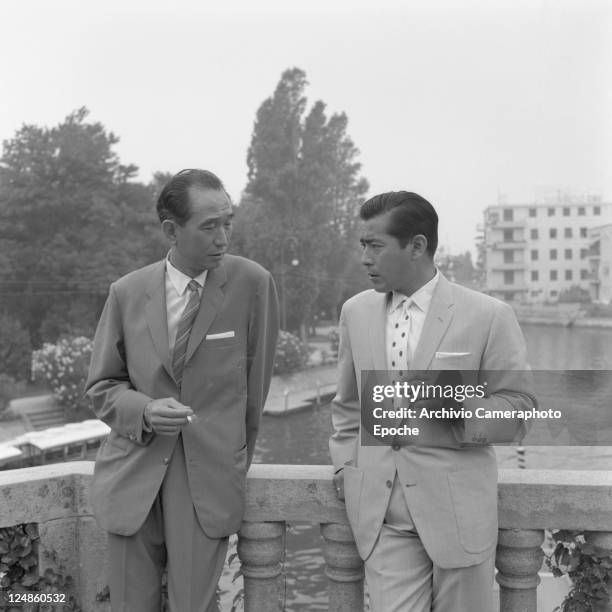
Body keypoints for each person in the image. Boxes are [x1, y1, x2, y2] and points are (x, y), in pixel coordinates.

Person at [329, 191, 535, 612]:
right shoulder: (356, 312)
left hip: (458, 516)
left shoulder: (488, 315)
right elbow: (348, 404)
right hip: (383, 516)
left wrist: (460, 410)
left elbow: (521, 407)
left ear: (417, 246)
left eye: (375, 245)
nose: (364, 258)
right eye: (362, 246)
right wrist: (344, 465)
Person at [85, 169, 279, 612]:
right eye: (209, 226)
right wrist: (146, 410)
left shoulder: (253, 284)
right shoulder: (127, 292)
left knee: (195, 606)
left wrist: (229, 464)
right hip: (132, 473)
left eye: (228, 222)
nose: (223, 237)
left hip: (206, 480)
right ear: (172, 230)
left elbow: (255, 395)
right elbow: (102, 386)